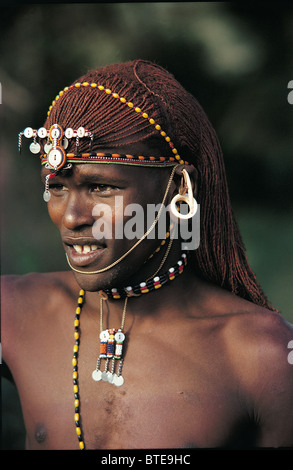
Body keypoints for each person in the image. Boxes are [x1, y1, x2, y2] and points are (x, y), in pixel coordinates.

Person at [2, 60, 293, 450]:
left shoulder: (265, 357)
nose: (71, 217)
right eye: (56, 187)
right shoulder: (14, 312)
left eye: (101, 187)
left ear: (178, 188)